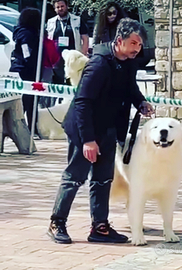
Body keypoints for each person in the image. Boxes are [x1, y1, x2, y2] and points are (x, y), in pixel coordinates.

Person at [47, 17, 154, 244]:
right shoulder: (99, 64)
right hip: (84, 129)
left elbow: (129, 86)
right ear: (119, 41)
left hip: (108, 128)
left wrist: (140, 102)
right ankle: (57, 222)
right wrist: (87, 140)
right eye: (133, 43)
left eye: (140, 44)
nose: (138, 48)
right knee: (75, 177)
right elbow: (83, 102)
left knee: (103, 179)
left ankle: (100, 227)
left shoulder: (127, 62)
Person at [9, 7, 41, 137]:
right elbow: (26, 50)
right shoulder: (27, 34)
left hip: (19, 68)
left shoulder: (20, 31)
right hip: (26, 71)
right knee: (29, 101)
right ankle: (31, 129)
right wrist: (29, 61)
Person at [46, 0, 89, 84]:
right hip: (56, 58)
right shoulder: (50, 22)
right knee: (57, 80)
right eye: (57, 7)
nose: (60, 9)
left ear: (67, 6)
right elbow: (48, 39)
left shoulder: (77, 20)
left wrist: (83, 53)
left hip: (73, 57)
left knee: (72, 80)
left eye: (62, 6)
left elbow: (85, 38)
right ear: (54, 9)